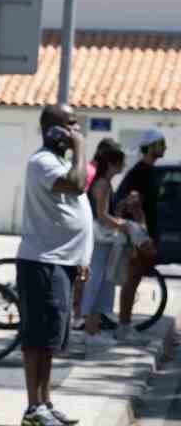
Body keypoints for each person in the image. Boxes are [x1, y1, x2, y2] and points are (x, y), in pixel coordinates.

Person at [15, 104, 92, 426]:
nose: (76, 129)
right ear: (53, 129)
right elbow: (77, 185)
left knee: (51, 340)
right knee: (38, 339)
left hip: (63, 261)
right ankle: (33, 407)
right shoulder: (42, 163)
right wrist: (81, 148)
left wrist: (81, 259)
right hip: (42, 261)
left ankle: (45, 402)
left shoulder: (60, 161)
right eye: (70, 123)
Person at [115, 128, 167, 327]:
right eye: (161, 143)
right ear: (151, 147)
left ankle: (125, 324)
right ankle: (124, 326)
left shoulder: (148, 170)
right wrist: (143, 237)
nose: (165, 147)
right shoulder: (141, 172)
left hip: (143, 234)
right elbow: (135, 203)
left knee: (134, 280)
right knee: (131, 280)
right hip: (138, 236)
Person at [80, 139, 128, 349]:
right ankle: (90, 331)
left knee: (101, 285)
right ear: (113, 163)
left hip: (102, 242)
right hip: (99, 243)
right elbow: (101, 215)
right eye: (121, 162)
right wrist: (123, 225)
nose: (123, 166)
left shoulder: (104, 183)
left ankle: (95, 329)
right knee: (96, 283)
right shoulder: (103, 184)